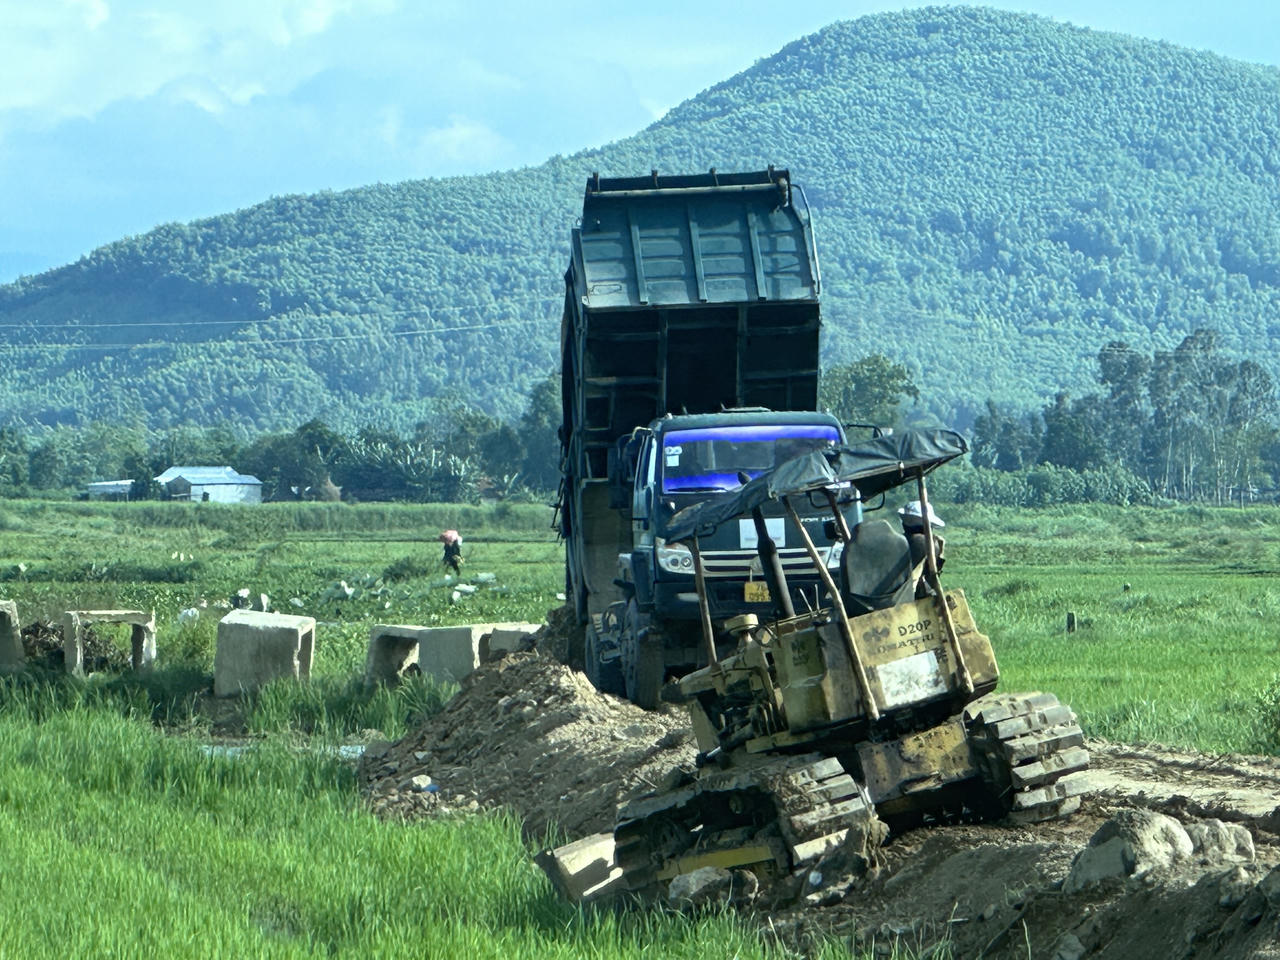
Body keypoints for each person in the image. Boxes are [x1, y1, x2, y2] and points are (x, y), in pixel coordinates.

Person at [898, 500, 944, 596]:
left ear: (904, 525)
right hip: (912, 595)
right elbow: (932, 578)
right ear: (928, 527)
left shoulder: (896, 542)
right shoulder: (927, 544)